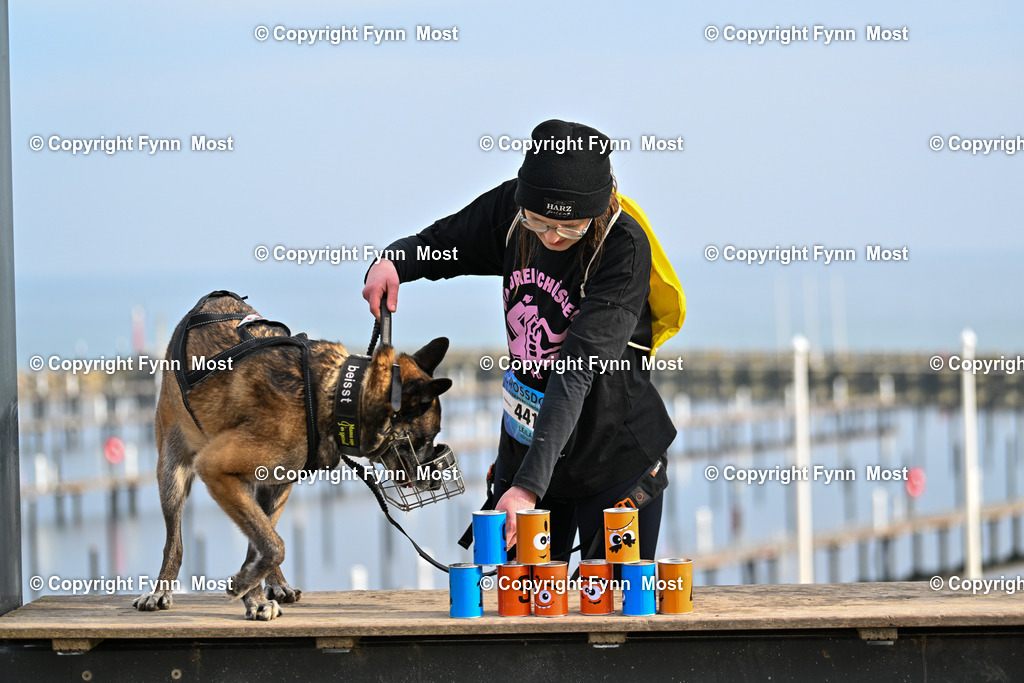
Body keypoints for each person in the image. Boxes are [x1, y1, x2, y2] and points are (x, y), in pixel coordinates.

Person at [362, 119, 676, 566]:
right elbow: (444, 244)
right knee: (523, 609)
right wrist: (395, 260)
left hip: (611, 458)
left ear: (602, 206)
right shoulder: (512, 214)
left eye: (569, 228)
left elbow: (575, 374)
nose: (551, 237)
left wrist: (527, 488)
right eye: (539, 222)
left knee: (609, 612)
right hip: (528, 446)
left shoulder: (622, 248)